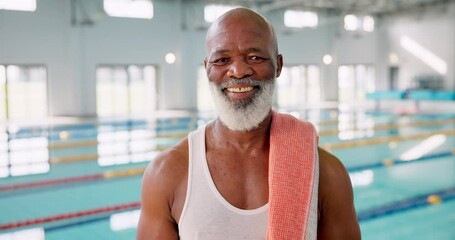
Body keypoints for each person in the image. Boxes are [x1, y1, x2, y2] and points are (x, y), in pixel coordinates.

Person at [137, 7, 361, 240]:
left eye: (255, 57)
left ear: (278, 65)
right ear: (207, 69)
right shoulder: (167, 173)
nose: (238, 71)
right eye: (222, 60)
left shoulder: (326, 174)